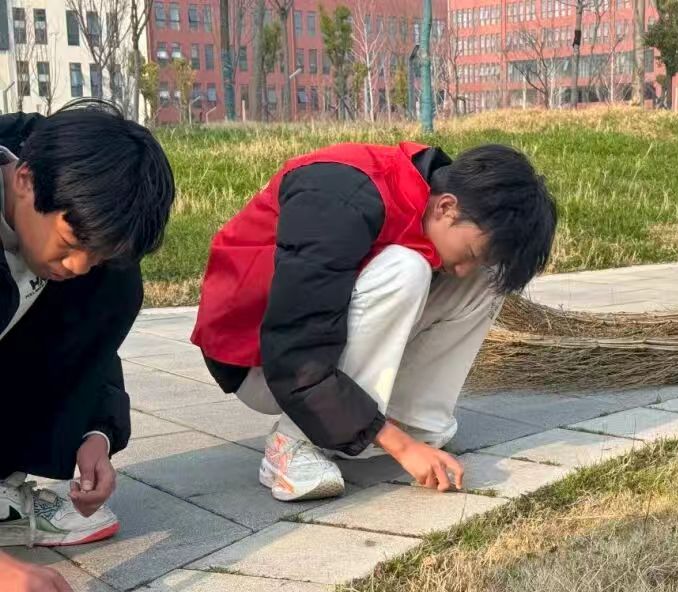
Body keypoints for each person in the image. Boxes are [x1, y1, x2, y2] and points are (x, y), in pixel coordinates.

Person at [191, 141, 556, 502]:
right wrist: (398, 446)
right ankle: (294, 442)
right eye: (471, 253)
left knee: (486, 280)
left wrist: (403, 439)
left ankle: (407, 422)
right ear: (447, 207)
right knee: (406, 269)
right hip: (257, 360)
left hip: (316, 341)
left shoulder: (428, 199)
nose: (463, 269)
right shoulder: (338, 199)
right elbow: (293, 354)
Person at [0, 101, 175, 592]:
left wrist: (94, 432)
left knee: (116, 284)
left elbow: (95, 339)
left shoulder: (71, 206)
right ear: (25, 181)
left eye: (93, 253)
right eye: (71, 245)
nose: (77, 266)